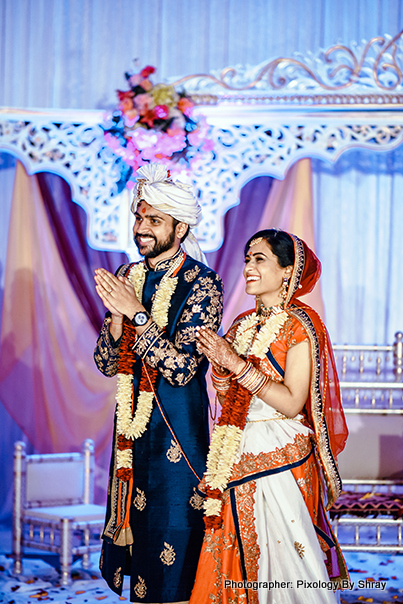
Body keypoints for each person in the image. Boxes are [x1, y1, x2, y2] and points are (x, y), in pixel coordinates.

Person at [190, 229, 349, 604]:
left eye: (259, 259)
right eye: (247, 259)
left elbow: (293, 402)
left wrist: (234, 363)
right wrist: (220, 369)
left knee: (287, 560)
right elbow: (229, 396)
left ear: (287, 271)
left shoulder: (300, 325)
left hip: (281, 452)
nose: (247, 267)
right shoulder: (243, 323)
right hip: (237, 448)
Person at [93, 163, 224, 603]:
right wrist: (115, 318)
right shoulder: (128, 275)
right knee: (140, 548)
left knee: (174, 538)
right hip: (132, 433)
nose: (141, 228)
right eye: (138, 217)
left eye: (153, 220)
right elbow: (107, 363)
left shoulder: (203, 283)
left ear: (181, 227)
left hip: (178, 434)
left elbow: (184, 367)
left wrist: (137, 313)